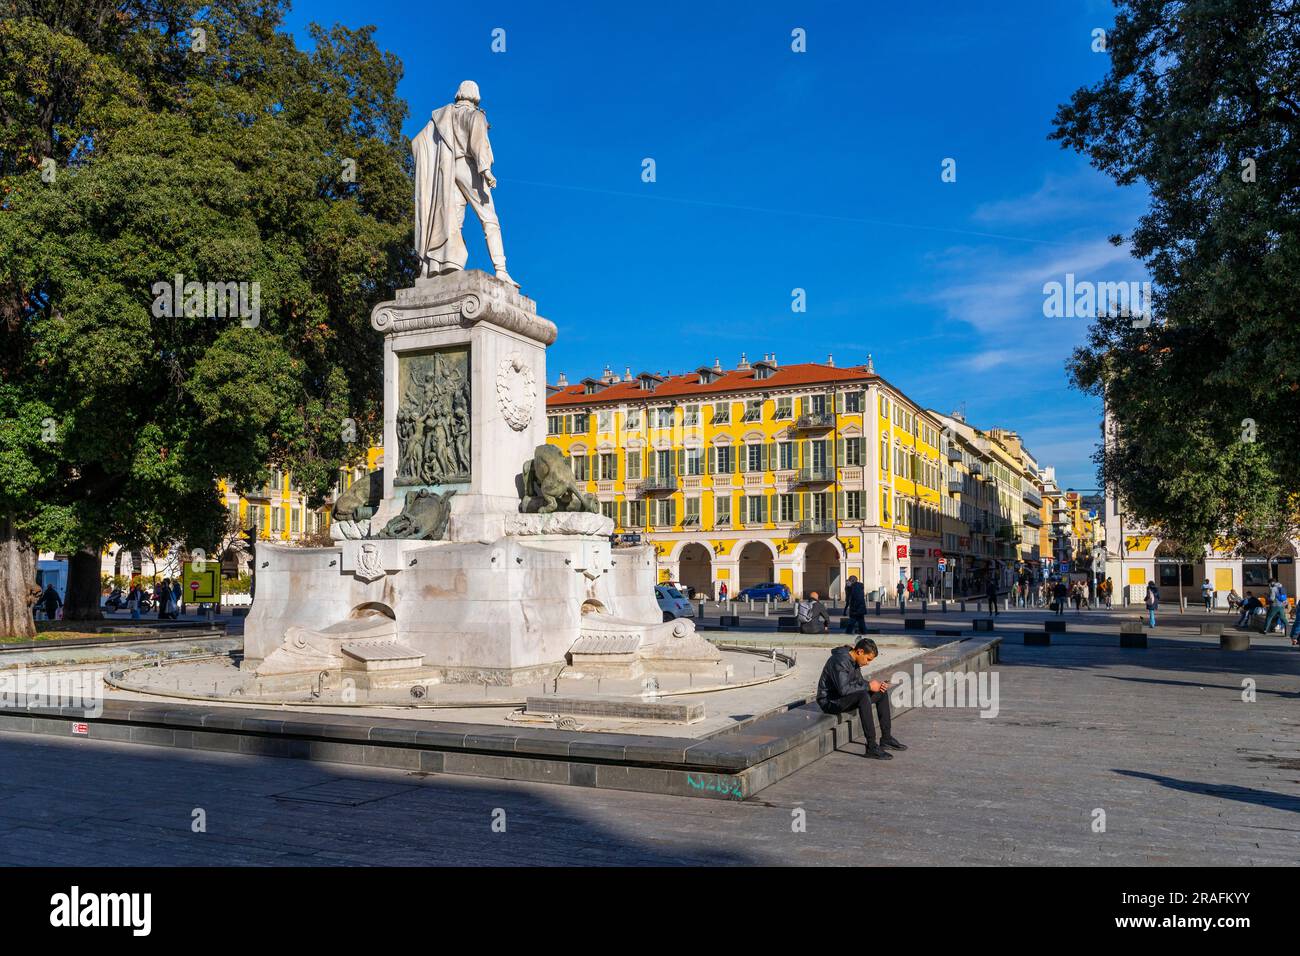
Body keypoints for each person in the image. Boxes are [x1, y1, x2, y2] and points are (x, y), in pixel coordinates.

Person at [816, 638, 906, 760]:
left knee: (881, 692)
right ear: (860, 652)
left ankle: (886, 738)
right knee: (863, 697)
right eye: (868, 659)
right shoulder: (839, 661)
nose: (868, 663)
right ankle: (871, 746)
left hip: (843, 698)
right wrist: (868, 686)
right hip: (829, 701)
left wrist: (875, 686)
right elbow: (843, 689)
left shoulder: (853, 661)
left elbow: (858, 682)